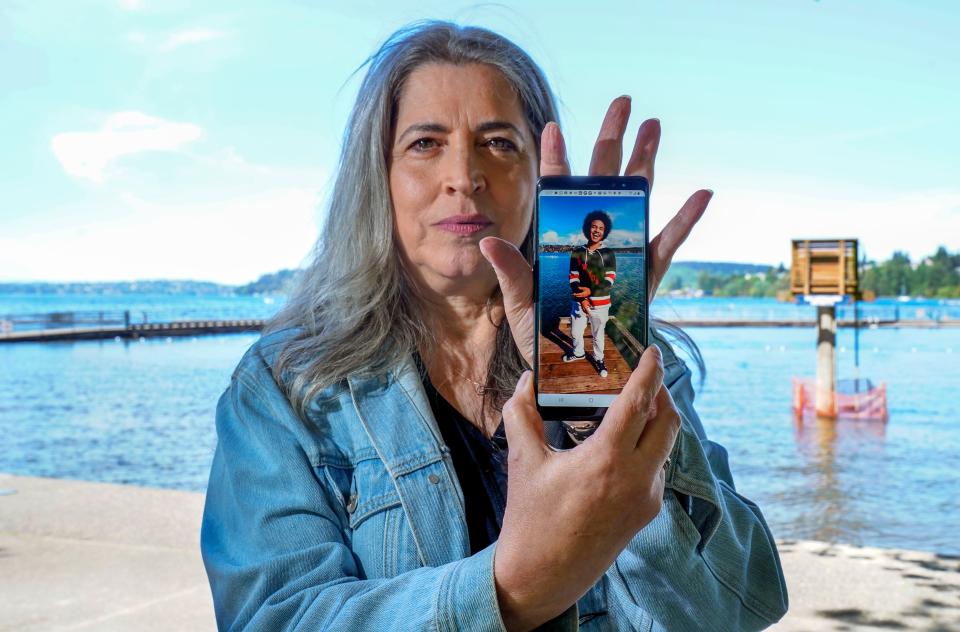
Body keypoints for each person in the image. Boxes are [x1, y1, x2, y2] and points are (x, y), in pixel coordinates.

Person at [200, 20, 788, 631]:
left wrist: (597, 395)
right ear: (379, 175)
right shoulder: (286, 386)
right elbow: (273, 617)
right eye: (425, 142)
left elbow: (736, 606)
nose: (465, 175)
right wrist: (515, 585)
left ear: (541, 177)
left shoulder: (626, 355)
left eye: (500, 143)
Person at [565, 210, 617, 377]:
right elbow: (573, 278)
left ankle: (599, 359)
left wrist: (591, 291)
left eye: (601, 228)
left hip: (601, 304)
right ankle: (579, 352)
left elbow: (609, 282)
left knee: (598, 334)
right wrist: (583, 300)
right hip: (580, 302)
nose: (596, 231)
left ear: (605, 232)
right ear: (588, 228)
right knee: (575, 331)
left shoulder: (609, 253)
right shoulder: (577, 252)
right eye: (593, 227)